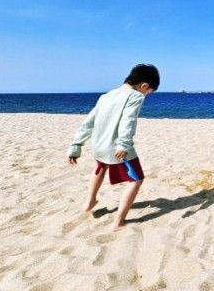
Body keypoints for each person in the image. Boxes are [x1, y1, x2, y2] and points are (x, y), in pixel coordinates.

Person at [67, 64, 159, 231]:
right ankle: (119, 222)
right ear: (144, 86)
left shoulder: (106, 96)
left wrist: (76, 145)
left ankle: (90, 201)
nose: (147, 95)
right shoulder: (136, 96)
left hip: (98, 146)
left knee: (100, 168)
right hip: (116, 147)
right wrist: (123, 144)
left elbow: (89, 122)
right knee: (136, 180)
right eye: (149, 92)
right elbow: (128, 121)